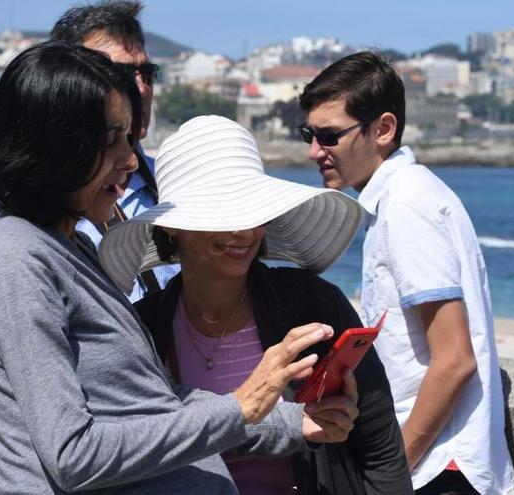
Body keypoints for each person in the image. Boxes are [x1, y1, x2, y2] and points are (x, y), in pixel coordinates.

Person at [0, 41, 357, 494]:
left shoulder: (70, 248)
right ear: (54, 147)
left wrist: (289, 420)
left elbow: (150, 403)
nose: (130, 161)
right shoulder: (18, 259)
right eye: (111, 140)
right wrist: (239, 407)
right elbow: (73, 455)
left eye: (129, 139)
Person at [98, 115, 414, 494]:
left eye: (252, 209)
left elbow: (380, 447)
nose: (244, 229)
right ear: (171, 226)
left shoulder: (313, 303)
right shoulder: (146, 328)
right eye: (222, 211)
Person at [298, 51, 514, 494]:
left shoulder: (406, 207)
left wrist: (393, 471)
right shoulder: (404, 198)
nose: (314, 151)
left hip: (439, 468)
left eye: (329, 136)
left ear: (383, 129)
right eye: (310, 134)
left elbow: (454, 359)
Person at [0, 0, 178, 302]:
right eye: (118, 73)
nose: (141, 89)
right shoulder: (27, 203)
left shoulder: (175, 182)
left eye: (146, 73)